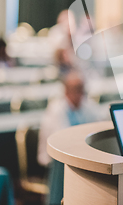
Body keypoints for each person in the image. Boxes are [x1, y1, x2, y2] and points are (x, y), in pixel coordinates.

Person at [38, 71, 102, 205]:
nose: (80, 93)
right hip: (55, 161)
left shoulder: (87, 105)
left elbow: (99, 125)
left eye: (82, 89)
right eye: (77, 89)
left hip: (80, 156)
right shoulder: (56, 110)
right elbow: (64, 142)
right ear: (66, 90)